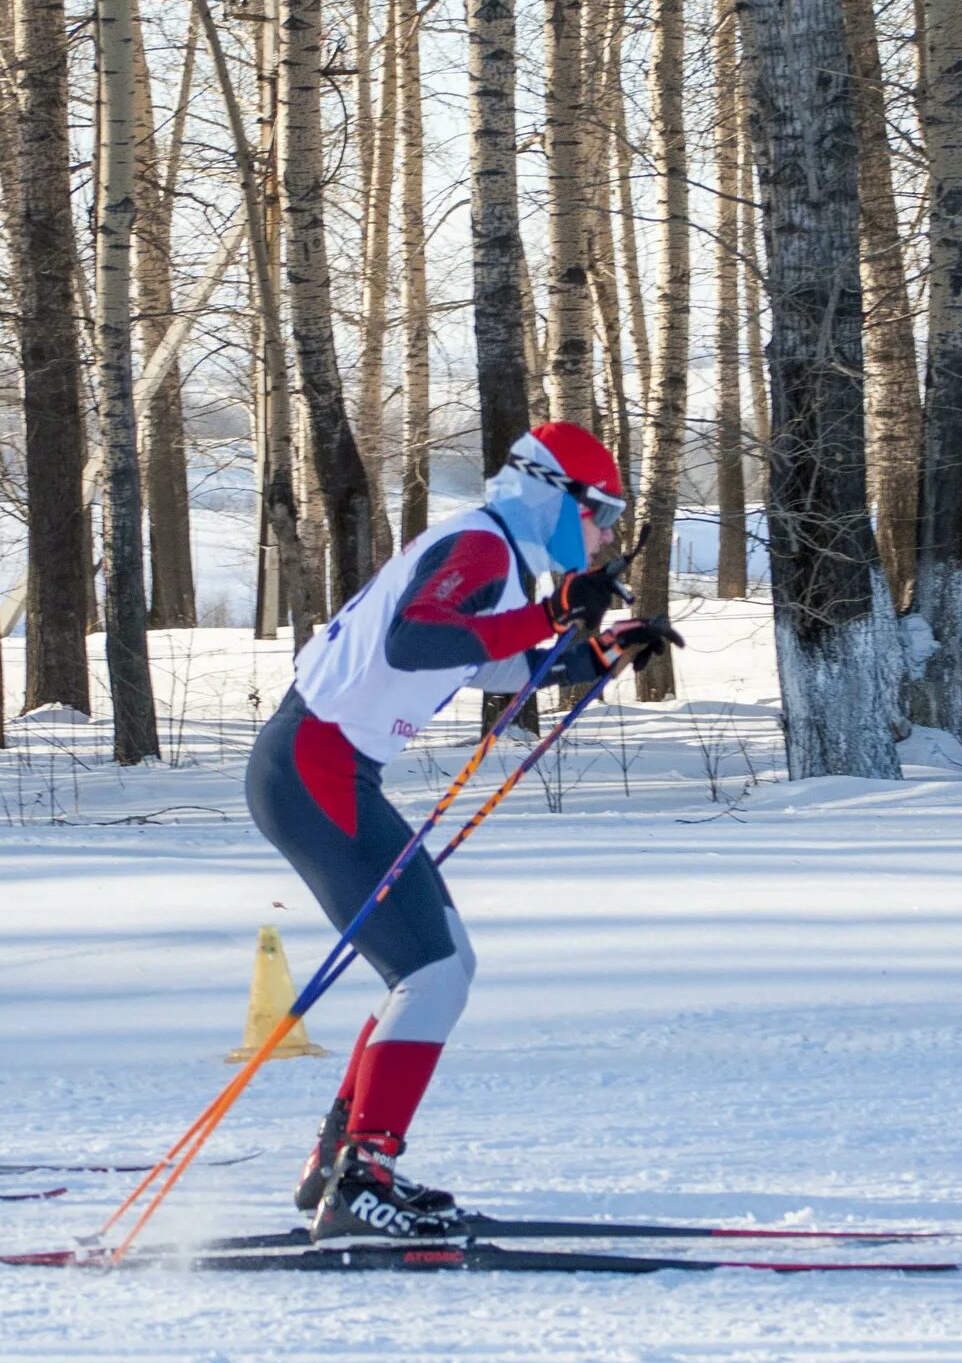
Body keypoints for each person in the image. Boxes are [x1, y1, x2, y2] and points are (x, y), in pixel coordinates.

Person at [247, 422, 678, 1240]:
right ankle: (360, 1179)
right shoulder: (480, 550)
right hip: (315, 767)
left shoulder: (493, 559)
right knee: (434, 971)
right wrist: (554, 611)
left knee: (441, 964)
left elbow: (487, 663)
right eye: (605, 512)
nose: (610, 533)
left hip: (324, 768)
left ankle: (341, 1162)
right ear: (556, 496)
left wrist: (600, 649)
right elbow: (417, 639)